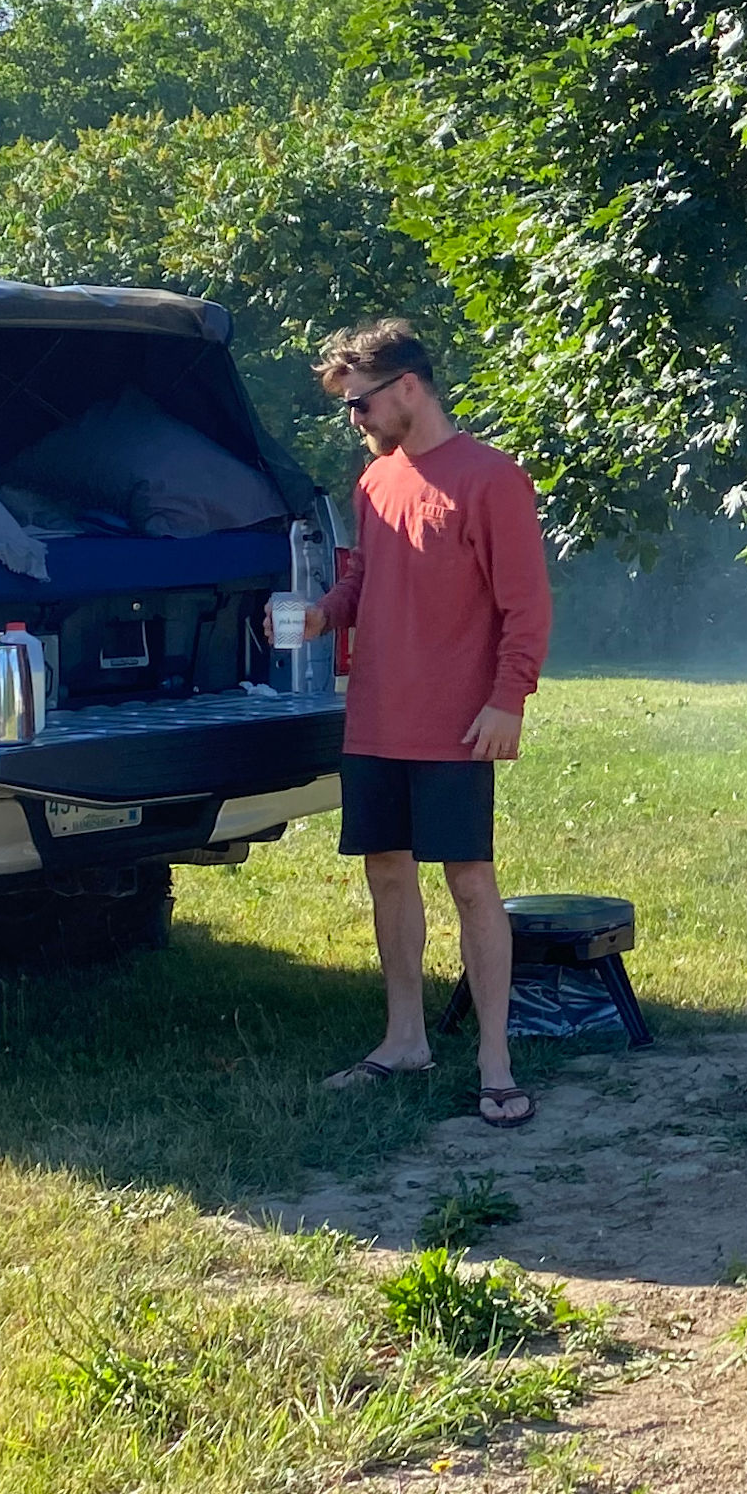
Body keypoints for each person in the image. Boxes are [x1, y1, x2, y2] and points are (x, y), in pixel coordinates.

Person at [292, 317, 554, 1126]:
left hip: (458, 721)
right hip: (376, 715)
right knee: (387, 871)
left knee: (470, 880)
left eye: (361, 404)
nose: (355, 420)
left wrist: (508, 698)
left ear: (408, 387)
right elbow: (368, 578)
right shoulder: (375, 482)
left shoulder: (491, 479)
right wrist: (324, 614)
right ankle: (404, 1039)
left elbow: (526, 605)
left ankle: (495, 1062)